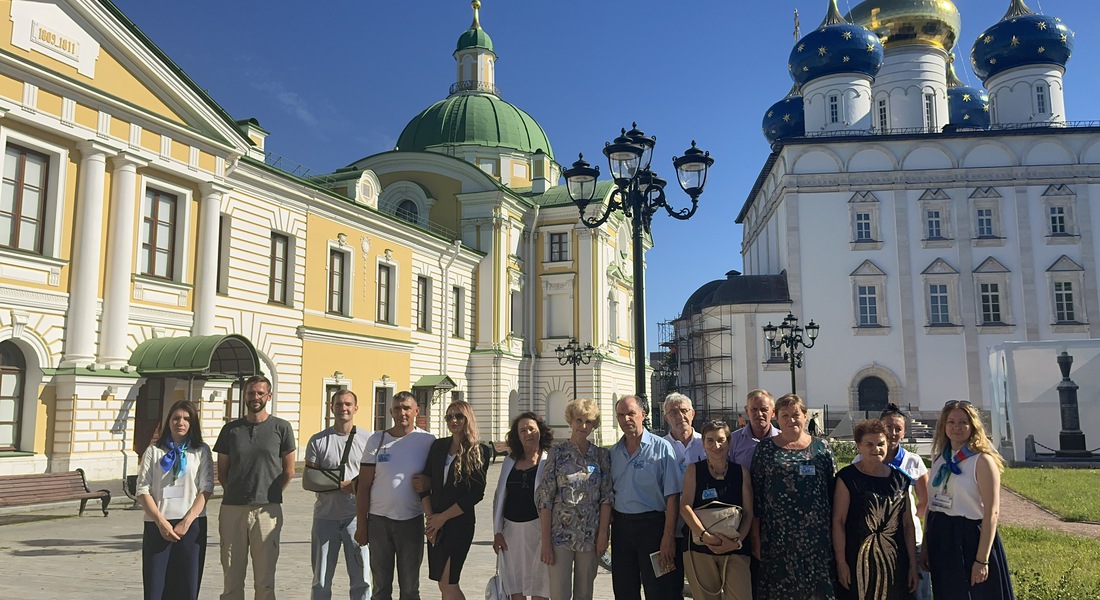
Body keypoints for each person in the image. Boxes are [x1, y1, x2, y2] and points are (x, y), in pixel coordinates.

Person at [921, 400, 1014, 600]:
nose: (956, 427)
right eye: (951, 421)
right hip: (942, 535)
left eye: (963, 422)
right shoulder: (939, 459)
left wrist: (982, 560)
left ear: (972, 426)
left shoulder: (981, 460)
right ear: (943, 426)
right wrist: (926, 545)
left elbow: (992, 512)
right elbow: (932, 504)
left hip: (969, 537)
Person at [214, 374, 296, 600]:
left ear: (269, 396)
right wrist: (237, 491)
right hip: (232, 509)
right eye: (251, 393)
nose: (255, 397)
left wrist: (271, 493)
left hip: (267, 511)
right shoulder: (231, 430)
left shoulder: (281, 427)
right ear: (245, 395)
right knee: (231, 575)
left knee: (265, 579)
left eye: (260, 393)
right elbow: (222, 471)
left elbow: (289, 470)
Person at [751, 393, 836, 600]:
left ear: (805, 416)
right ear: (777, 418)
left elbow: (833, 492)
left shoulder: (821, 448)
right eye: (785, 415)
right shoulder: (765, 449)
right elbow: (756, 497)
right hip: (777, 538)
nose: (791, 420)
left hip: (816, 538)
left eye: (795, 415)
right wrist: (755, 537)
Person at [354, 391, 435, 600]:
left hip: (411, 521)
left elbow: (438, 479)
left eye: (407, 408)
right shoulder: (377, 440)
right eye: (397, 408)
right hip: (378, 522)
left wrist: (429, 482)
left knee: (409, 588)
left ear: (417, 411)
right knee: (380, 588)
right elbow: (363, 486)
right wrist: (362, 526)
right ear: (391, 411)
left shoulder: (427, 441)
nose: (402, 413)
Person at [136, 400, 214, 600]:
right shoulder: (154, 451)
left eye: (186, 419)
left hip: (190, 526)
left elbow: (206, 488)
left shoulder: (201, 451)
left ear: (193, 423)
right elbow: (142, 489)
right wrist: (160, 522)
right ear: (168, 421)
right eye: (176, 418)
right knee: (156, 588)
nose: (181, 422)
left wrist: (187, 521)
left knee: (186, 587)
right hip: (158, 525)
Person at [536, 398, 613, 600]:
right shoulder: (557, 454)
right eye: (579, 420)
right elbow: (545, 499)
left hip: (590, 535)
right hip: (560, 536)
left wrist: (603, 533)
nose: (583, 426)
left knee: (584, 593)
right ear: (571, 421)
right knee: (559, 594)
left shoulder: (600, 455)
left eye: (589, 421)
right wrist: (545, 542)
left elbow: (606, 497)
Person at [609, 395, 684, 600]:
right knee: (624, 590)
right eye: (621, 415)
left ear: (643, 414)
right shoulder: (613, 453)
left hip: (653, 528)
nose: (626, 419)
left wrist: (668, 538)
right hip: (621, 530)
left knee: (660, 590)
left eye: (631, 413)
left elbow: (672, 496)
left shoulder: (662, 448)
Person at [833, 419, 917, 600]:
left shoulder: (900, 479)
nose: (876, 449)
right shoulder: (847, 478)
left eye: (880, 444)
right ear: (858, 446)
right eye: (869, 444)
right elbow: (838, 522)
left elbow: (908, 524)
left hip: (895, 559)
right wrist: (841, 562)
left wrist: (912, 564)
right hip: (858, 560)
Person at [854, 403, 930, 600]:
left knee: (916, 590)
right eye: (888, 427)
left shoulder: (913, 461)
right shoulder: (860, 461)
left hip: (910, 537)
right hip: (874, 541)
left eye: (898, 429)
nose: (893, 433)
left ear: (904, 432)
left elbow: (924, 501)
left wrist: (910, 520)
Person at [419, 400, 491, 600]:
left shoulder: (480, 451)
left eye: (459, 416)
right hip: (436, 522)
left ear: (468, 419)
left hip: (459, 523)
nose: (453, 420)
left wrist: (443, 518)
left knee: (448, 582)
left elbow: (476, 493)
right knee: (443, 585)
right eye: (449, 416)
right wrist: (432, 519)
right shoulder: (438, 446)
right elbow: (424, 484)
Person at [305, 390, 372, 600]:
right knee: (321, 578)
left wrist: (354, 485)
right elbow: (310, 479)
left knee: (362, 578)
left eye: (348, 404)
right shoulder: (318, 440)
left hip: (356, 517)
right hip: (325, 517)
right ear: (331, 407)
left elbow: (374, 476)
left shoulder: (368, 439)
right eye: (339, 404)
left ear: (356, 408)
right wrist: (340, 484)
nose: (343, 408)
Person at [680, 420, 753, 600]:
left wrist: (736, 542)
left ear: (729, 442)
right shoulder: (694, 470)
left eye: (721, 440)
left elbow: (749, 513)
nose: (716, 445)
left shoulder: (741, 472)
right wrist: (706, 536)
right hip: (700, 547)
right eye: (710, 440)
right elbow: (685, 507)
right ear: (703, 444)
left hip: (735, 549)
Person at [492, 412, 552, 600]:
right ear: (517, 436)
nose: (528, 433)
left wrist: (548, 539)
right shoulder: (510, 461)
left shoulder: (549, 461)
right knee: (514, 587)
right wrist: (497, 532)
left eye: (532, 429)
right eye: (523, 430)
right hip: (511, 534)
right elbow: (499, 497)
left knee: (540, 588)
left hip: (539, 532)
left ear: (540, 432)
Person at [728, 389, 778, 471]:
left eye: (764, 409)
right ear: (747, 411)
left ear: (773, 412)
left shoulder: (784, 440)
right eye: (754, 409)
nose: (759, 414)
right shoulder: (733, 440)